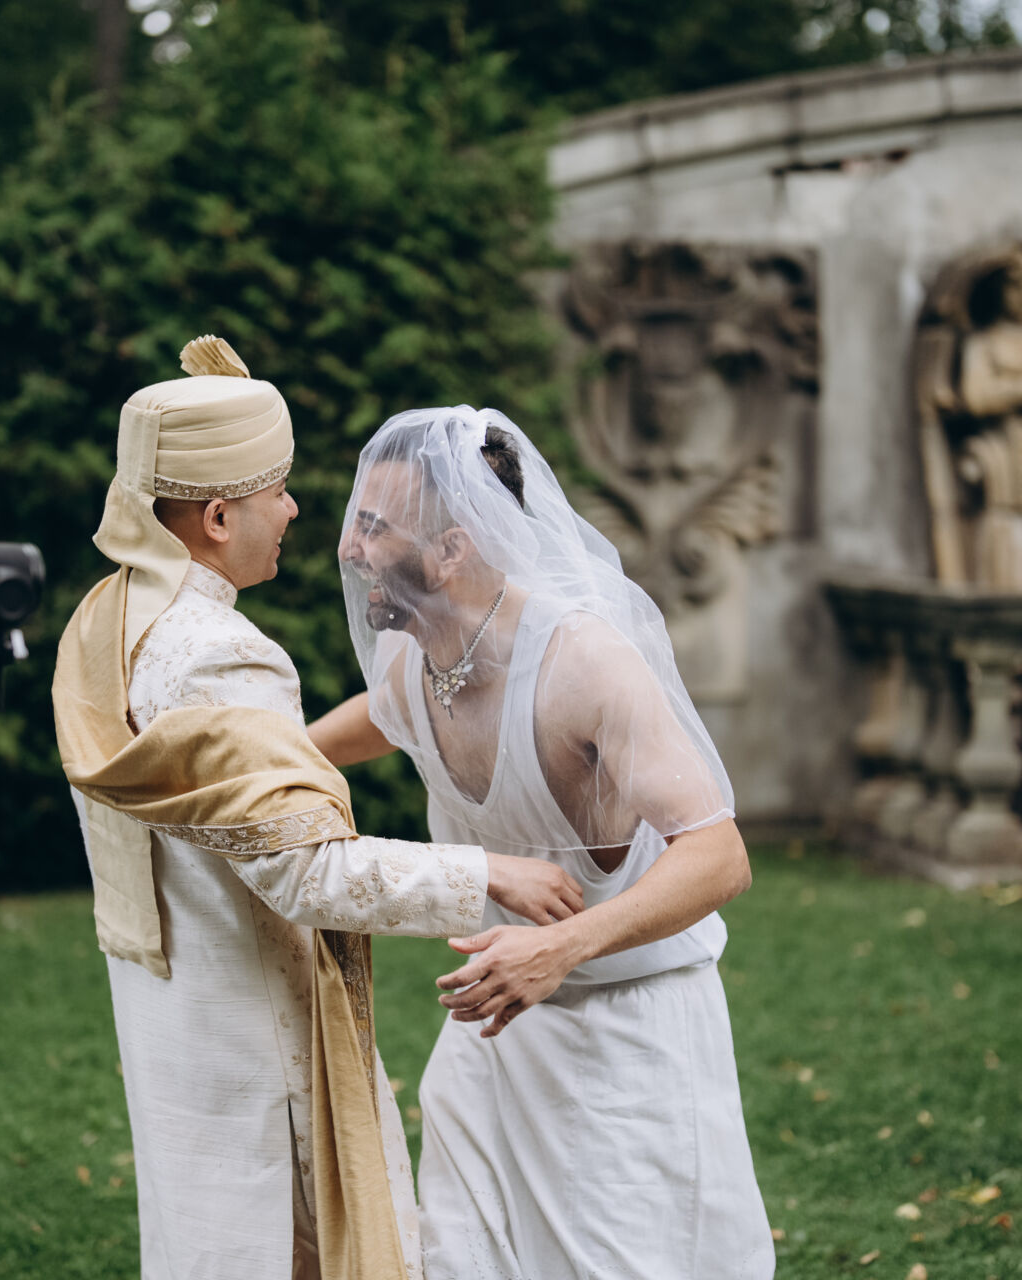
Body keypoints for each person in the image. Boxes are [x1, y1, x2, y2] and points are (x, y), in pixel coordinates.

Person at [52, 338, 580, 1280]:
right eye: (278, 491)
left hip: (171, 1007)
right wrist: (488, 872)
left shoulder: (109, 616)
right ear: (218, 515)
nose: (297, 511)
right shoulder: (224, 653)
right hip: (253, 1036)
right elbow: (306, 871)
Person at [308, 406, 775, 1279]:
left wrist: (560, 947)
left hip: (628, 1038)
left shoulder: (586, 664)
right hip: (491, 1040)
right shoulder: (413, 657)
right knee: (456, 1261)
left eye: (374, 526)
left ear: (452, 549)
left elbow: (720, 855)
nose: (350, 547)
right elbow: (381, 715)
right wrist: (266, 766)